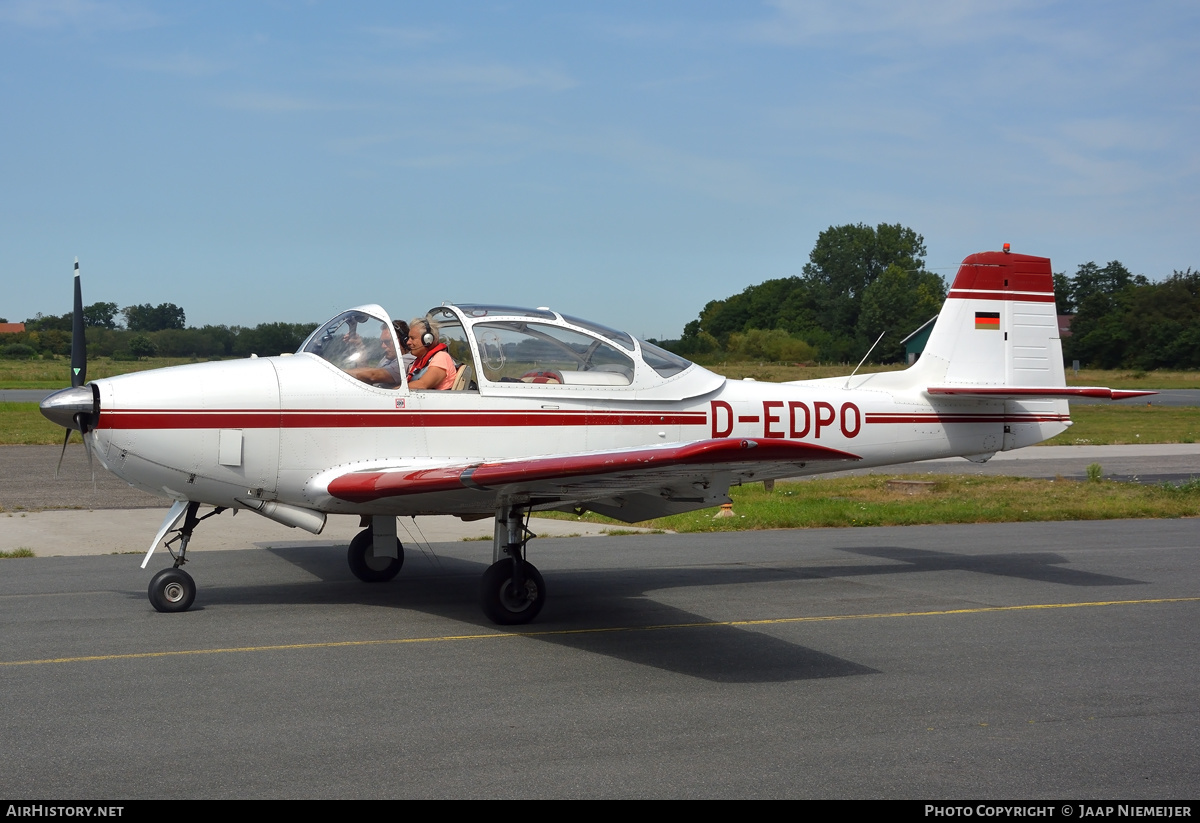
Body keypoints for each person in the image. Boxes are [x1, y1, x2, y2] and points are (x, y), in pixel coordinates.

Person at [348, 320, 411, 387]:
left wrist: (338, 373)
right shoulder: (388, 359)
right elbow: (365, 375)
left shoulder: (407, 361)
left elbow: (372, 376)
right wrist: (359, 346)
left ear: (403, 341)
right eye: (382, 342)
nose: (383, 346)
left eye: (387, 342)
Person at [406, 316, 457, 390]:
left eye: (412, 338)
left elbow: (422, 385)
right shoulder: (420, 361)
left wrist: (396, 389)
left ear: (427, 340)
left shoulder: (441, 357)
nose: (408, 342)